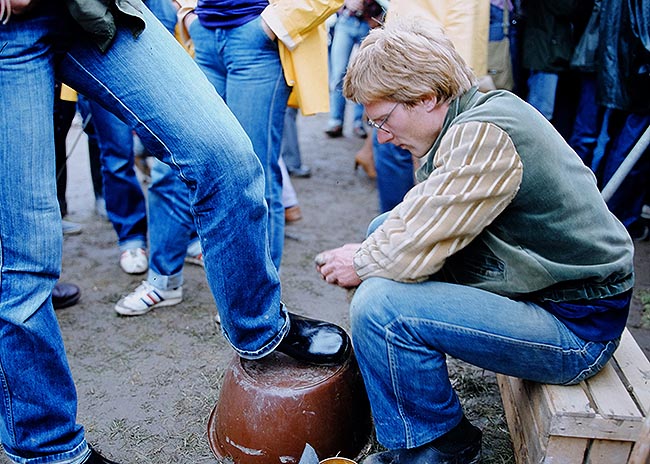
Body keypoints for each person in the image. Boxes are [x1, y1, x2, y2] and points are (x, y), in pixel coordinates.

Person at [0, 2, 348, 464]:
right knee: (24, 258)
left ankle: (259, 326)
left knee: (225, 158)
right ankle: (48, 449)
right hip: (9, 32)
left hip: (99, 7)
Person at [314, 20, 634, 464]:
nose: (382, 137)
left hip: (575, 328)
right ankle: (423, 418)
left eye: (384, 120)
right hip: (545, 289)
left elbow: (408, 250)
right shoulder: (468, 114)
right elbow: (417, 223)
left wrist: (362, 264)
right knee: (380, 240)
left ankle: (436, 447)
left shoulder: (484, 136)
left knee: (382, 308)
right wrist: (372, 254)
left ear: (427, 98)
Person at [325, 0, 383, 139]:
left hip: (369, 23)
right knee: (338, 73)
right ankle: (335, 120)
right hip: (346, 21)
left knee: (365, 75)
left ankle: (359, 122)